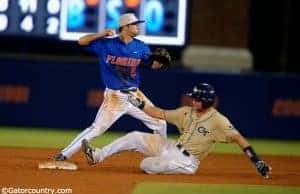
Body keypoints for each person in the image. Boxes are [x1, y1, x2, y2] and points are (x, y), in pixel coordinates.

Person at [81, 83, 272, 178]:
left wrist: (257, 161)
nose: (192, 100)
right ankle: (98, 155)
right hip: (171, 148)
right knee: (135, 136)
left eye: (195, 98)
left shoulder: (219, 121)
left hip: (187, 161)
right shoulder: (186, 112)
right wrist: (139, 104)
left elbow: (239, 139)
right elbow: (157, 112)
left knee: (146, 165)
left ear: (204, 101)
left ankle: (160, 164)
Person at [54, 13, 169, 161]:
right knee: (97, 129)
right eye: (135, 24)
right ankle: (64, 154)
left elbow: (153, 65)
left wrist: (159, 63)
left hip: (135, 96)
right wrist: (102, 33)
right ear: (125, 27)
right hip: (115, 97)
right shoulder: (107, 44)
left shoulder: (141, 47)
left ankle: (163, 155)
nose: (138, 27)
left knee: (160, 122)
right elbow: (81, 41)